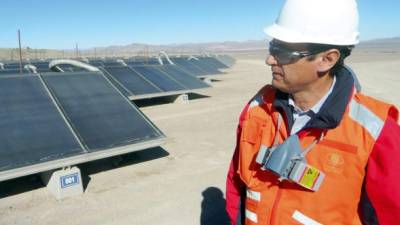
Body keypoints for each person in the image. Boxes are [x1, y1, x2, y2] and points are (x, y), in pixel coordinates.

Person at [225, 0, 400, 224]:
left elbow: (391, 213)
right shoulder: (257, 108)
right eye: (272, 48)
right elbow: (236, 185)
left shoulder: (375, 129)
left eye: (283, 52)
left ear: (327, 59)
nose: (269, 59)